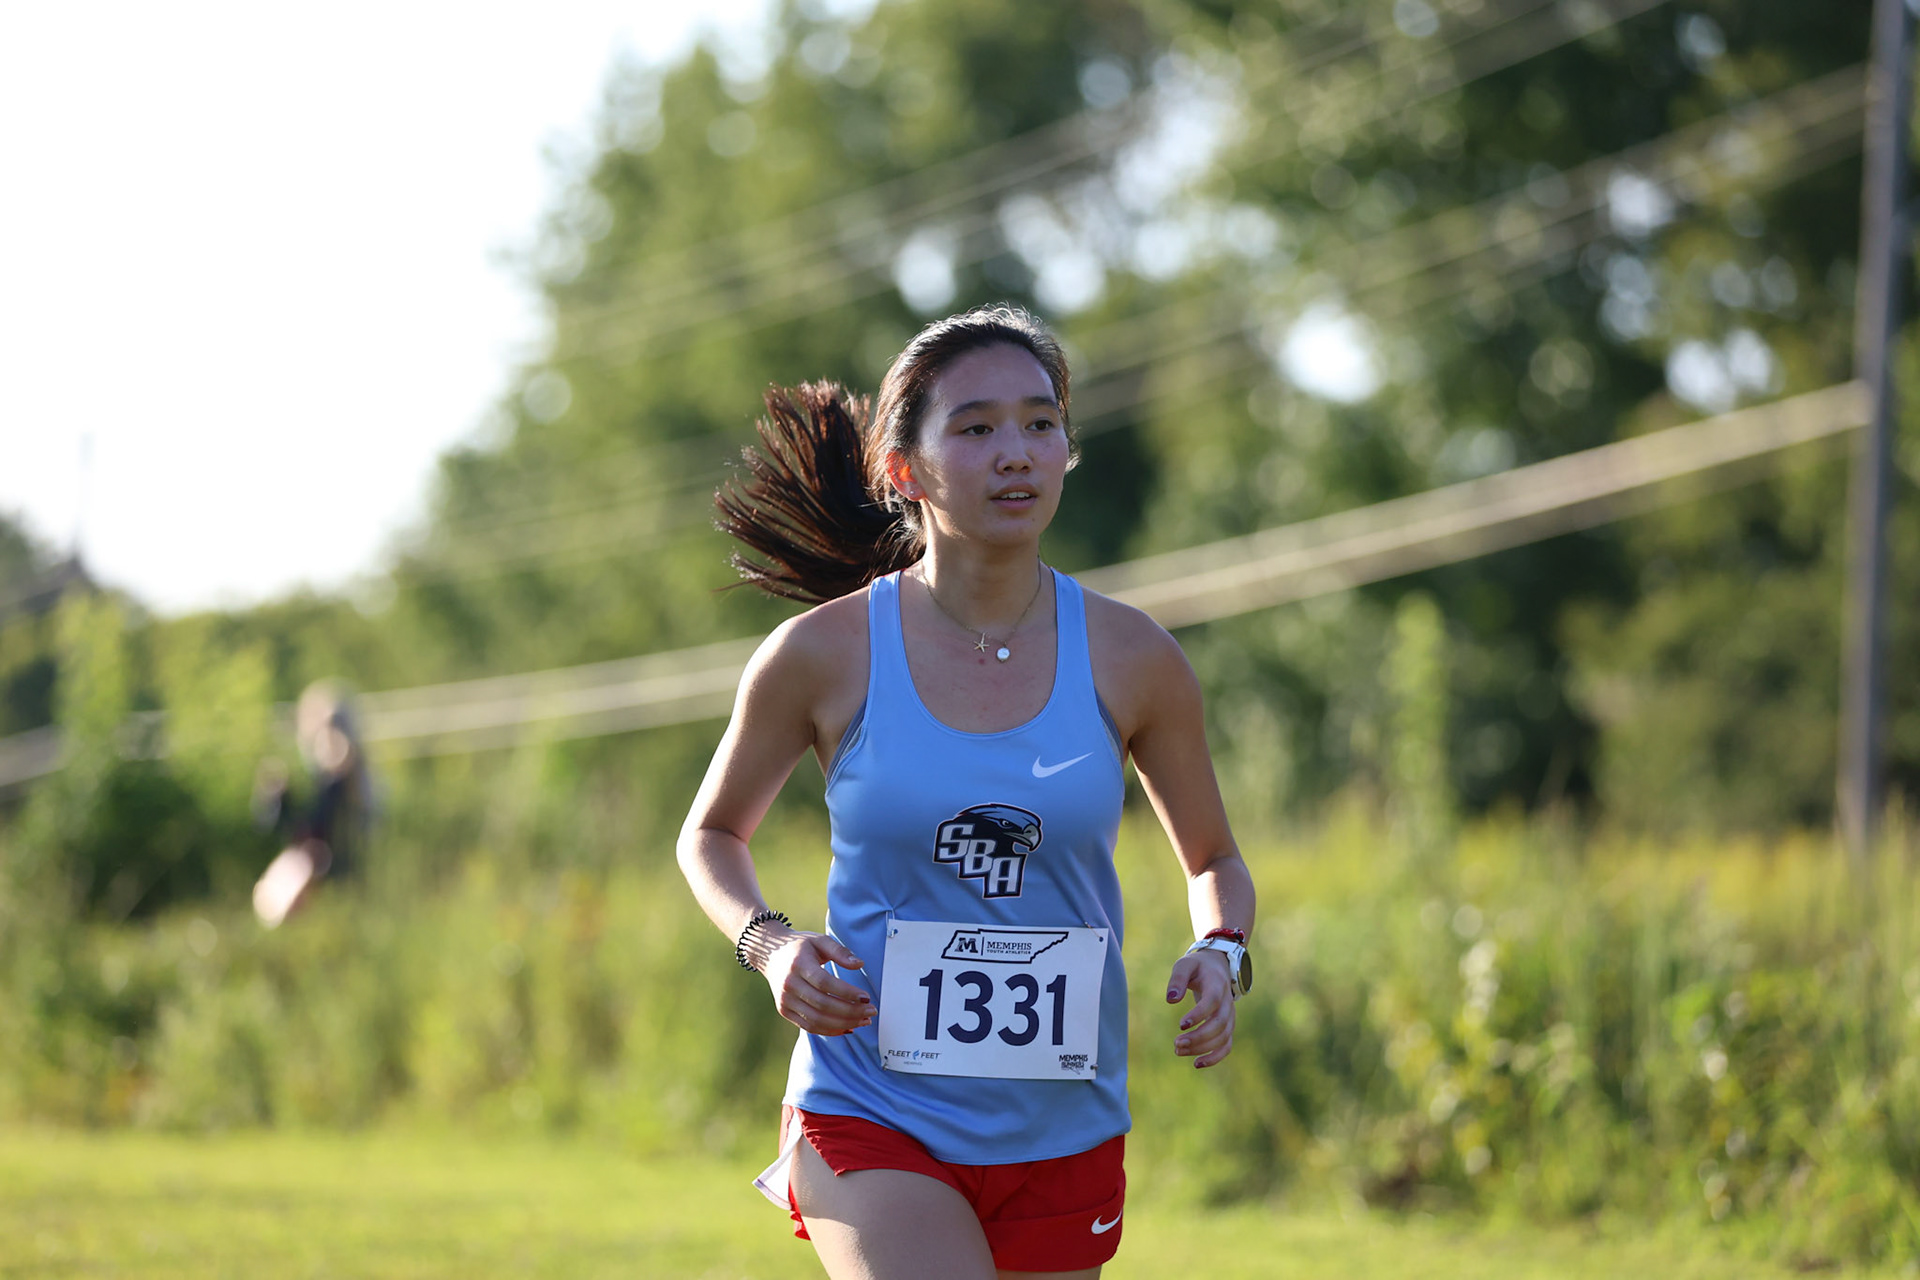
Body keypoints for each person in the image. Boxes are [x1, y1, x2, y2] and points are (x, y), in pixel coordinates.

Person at [677, 304, 1256, 1279]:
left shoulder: (1133, 656)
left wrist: (1221, 952)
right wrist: (769, 944)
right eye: (977, 427)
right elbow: (711, 832)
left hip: (1063, 1124)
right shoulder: (823, 653)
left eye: (1041, 423)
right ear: (906, 469)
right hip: (870, 1106)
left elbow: (1214, 859)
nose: (1017, 451)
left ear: (1069, 450)